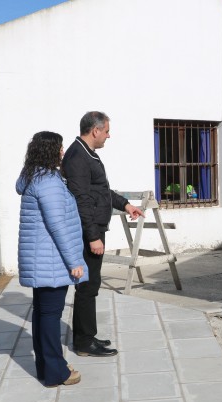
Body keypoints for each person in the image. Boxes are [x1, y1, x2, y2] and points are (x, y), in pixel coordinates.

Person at [62, 111, 144, 357]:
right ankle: (84, 343)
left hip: (94, 228)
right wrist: (93, 236)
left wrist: (126, 204)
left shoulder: (87, 154)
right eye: (106, 131)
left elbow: (101, 190)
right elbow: (82, 200)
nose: (109, 135)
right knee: (88, 285)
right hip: (89, 231)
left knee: (91, 283)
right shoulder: (77, 157)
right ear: (95, 130)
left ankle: (87, 335)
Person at [17, 131, 86, 386]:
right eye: (59, 147)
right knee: (49, 316)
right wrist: (74, 263)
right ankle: (56, 372)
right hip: (51, 261)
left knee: (43, 314)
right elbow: (58, 226)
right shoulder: (48, 183)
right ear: (51, 151)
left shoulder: (34, 177)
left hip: (43, 260)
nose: (62, 151)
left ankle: (48, 366)